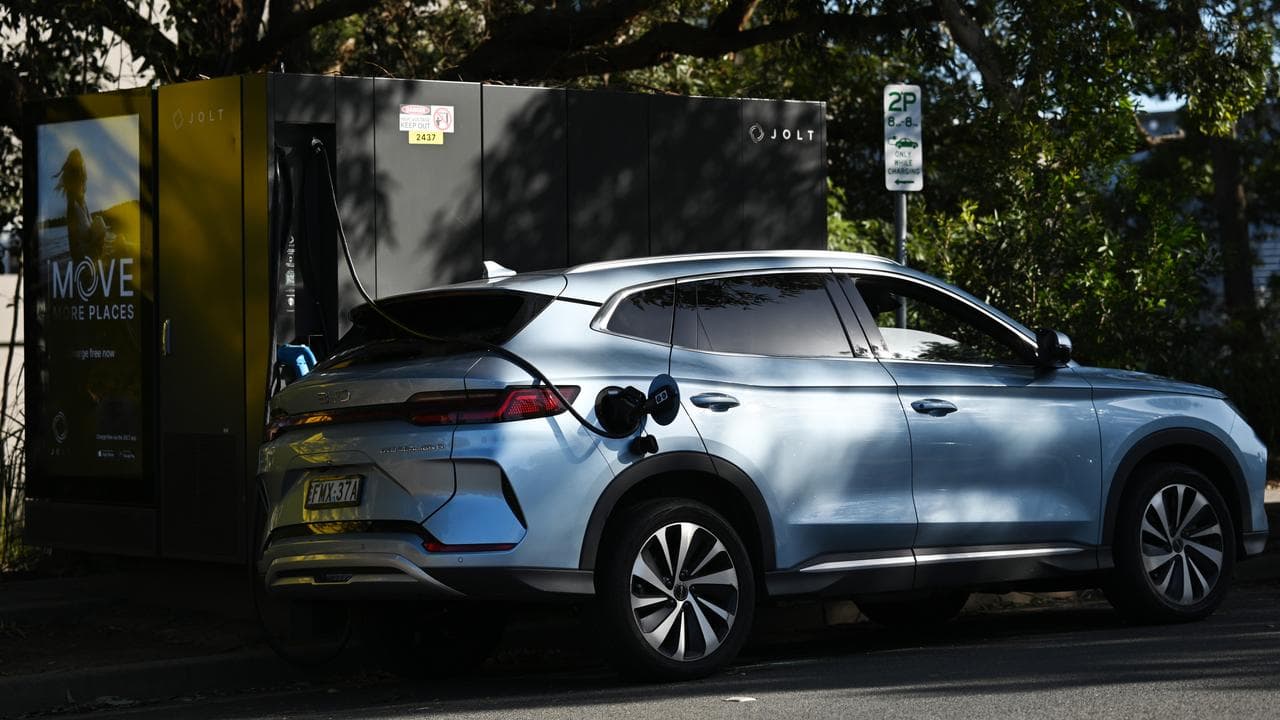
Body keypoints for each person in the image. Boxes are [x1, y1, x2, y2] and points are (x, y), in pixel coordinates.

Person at [54, 148, 107, 259]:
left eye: (83, 177)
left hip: (89, 259)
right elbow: (78, 247)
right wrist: (98, 231)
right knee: (99, 222)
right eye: (81, 177)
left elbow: (85, 236)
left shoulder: (81, 203)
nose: (84, 181)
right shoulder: (73, 207)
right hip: (86, 264)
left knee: (99, 222)